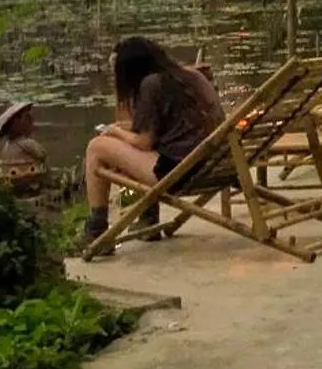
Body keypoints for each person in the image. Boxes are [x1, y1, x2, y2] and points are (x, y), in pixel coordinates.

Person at [80, 37, 224, 253]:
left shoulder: (151, 84)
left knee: (96, 148)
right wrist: (128, 127)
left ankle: (97, 230)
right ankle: (147, 219)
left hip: (179, 171)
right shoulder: (193, 76)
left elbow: (144, 142)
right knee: (121, 147)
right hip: (213, 162)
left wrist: (116, 130)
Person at [0, 101, 47, 190]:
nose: (31, 121)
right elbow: (42, 154)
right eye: (27, 117)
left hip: (10, 182)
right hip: (28, 181)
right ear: (16, 123)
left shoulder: (6, 146)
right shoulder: (25, 143)